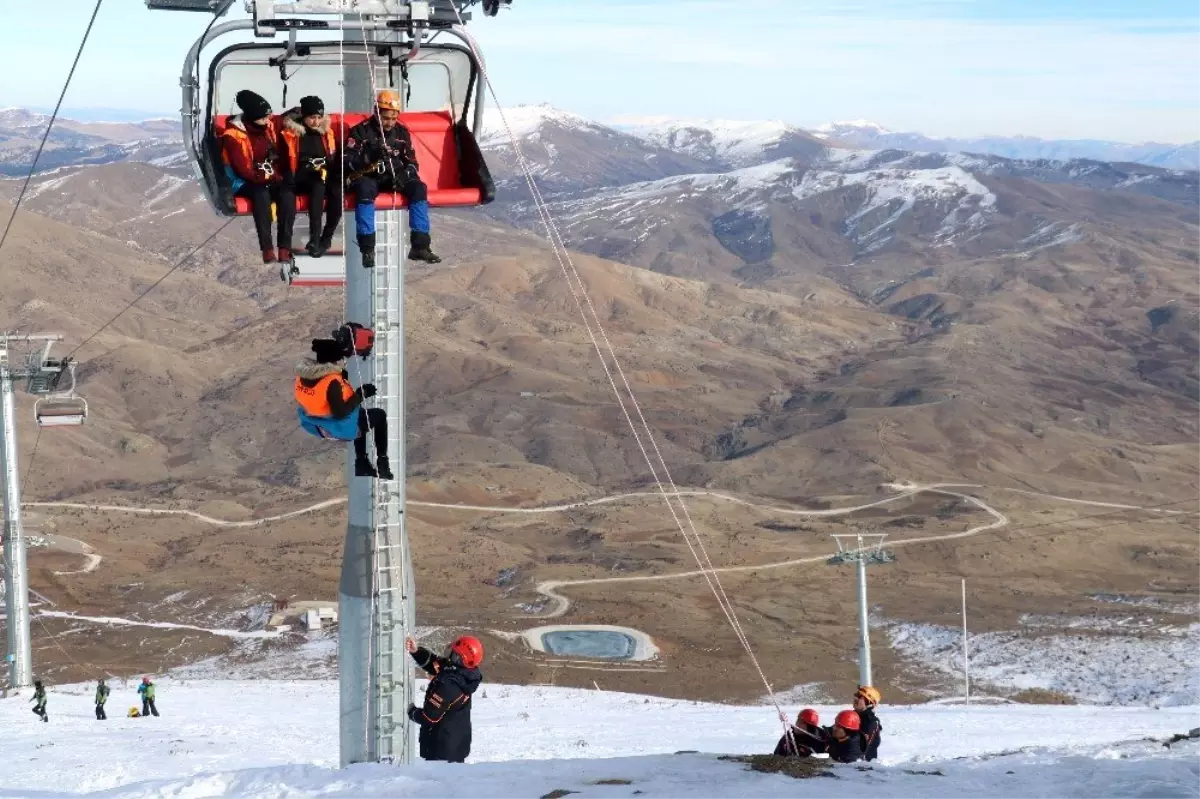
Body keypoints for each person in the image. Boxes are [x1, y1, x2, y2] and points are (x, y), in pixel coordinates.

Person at [344, 90, 441, 268]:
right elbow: (346, 161)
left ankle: (420, 246)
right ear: (376, 112)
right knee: (364, 190)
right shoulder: (360, 132)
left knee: (419, 188)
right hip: (369, 176)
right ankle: (367, 249)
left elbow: (412, 163)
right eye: (385, 118)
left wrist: (405, 175)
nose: (389, 123)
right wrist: (368, 158)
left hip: (395, 176)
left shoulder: (401, 133)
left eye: (393, 119)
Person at [295, 332, 393, 479]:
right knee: (378, 415)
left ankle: (362, 464)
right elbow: (341, 413)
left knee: (360, 416)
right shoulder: (332, 382)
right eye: (340, 358)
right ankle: (382, 463)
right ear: (335, 359)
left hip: (316, 426)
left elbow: (321, 397)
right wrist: (361, 395)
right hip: (338, 428)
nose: (343, 360)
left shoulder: (303, 377)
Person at [220, 89, 296, 266]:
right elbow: (243, 169)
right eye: (263, 118)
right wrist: (266, 177)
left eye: (267, 117)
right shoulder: (233, 136)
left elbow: (280, 121)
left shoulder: (267, 127)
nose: (267, 121)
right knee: (261, 196)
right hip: (245, 180)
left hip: (267, 175)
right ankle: (267, 248)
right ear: (252, 117)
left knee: (287, 195)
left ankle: (285, 247)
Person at [280, 95, 342, 258]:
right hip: (301, 177)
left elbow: (332, 157)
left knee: (337, 191)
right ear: (304, 117)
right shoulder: (293, 134)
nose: (316, 122)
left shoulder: (325, 133)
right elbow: (285, 160)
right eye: (312, 118)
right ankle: (314, 236)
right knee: (317, 184)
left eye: (319, 118)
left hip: (323, 173)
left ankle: (326, 238)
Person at [405, 635, 483, 763]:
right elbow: (436, 664)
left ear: (459, 658)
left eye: (453, 653)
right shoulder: (464, 674)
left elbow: (429, 717)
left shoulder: (449, 686)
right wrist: (416, 651)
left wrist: (411, 711)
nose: (449, 655)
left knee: (438, 782)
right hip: (456, 745)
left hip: (440, 751)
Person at [853, 685, 883, 762]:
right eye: (856, 695)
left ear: (869, 703)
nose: (856, 698)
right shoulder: (851, 716)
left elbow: (863, 747)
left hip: (864, 768)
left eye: (860, 697)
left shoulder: (871, 722)